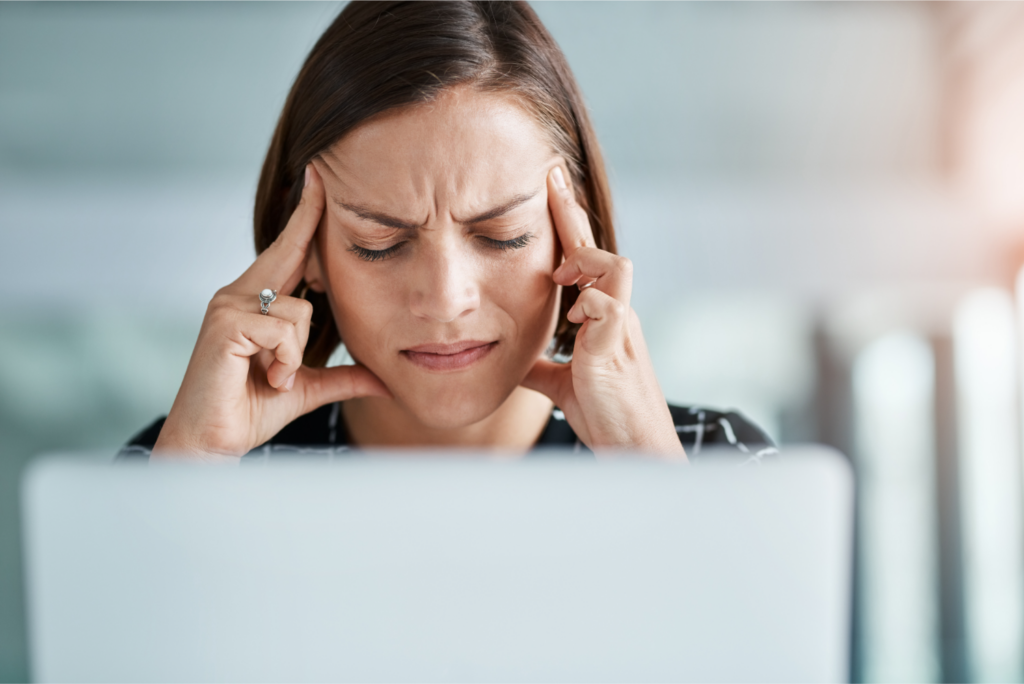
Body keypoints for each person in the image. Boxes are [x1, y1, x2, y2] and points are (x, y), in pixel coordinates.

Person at [120, 0, 774, 462]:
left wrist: (646, 472)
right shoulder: (178, 464)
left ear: (571, 232)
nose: (444, 298)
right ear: (307, 246)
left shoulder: (717, 467)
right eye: (380, 242)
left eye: (503, 235)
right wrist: (196, 467)